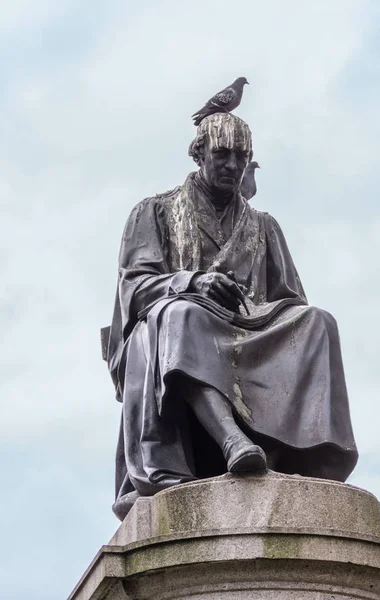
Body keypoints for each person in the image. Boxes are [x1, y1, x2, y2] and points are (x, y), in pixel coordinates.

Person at [106, 113, 358, 521]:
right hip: (180, 323)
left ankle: (312, 459)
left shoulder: (263, 226)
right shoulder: (155, 212)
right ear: (198, 154)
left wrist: (267, 313)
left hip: (249, 326)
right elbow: (134, 288)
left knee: (318, 323)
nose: (233, 165)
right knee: (182, 315)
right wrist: (192, 282)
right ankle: (232, 442)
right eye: (222, 154)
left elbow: (290, 298)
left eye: (242, 157)